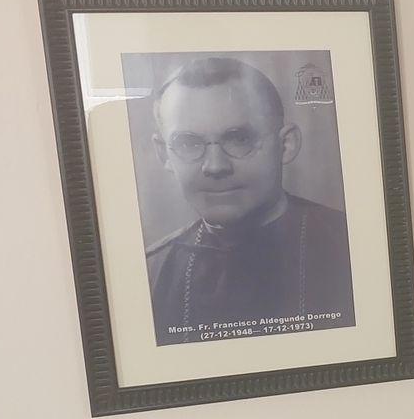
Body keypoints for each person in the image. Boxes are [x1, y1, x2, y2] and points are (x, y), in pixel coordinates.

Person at [144, 56, 355, 344]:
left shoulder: (354, 247)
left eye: (239, 139)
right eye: (189, 143)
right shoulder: (150, 273)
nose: (215, 166)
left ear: (285, 144)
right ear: (163, 154)